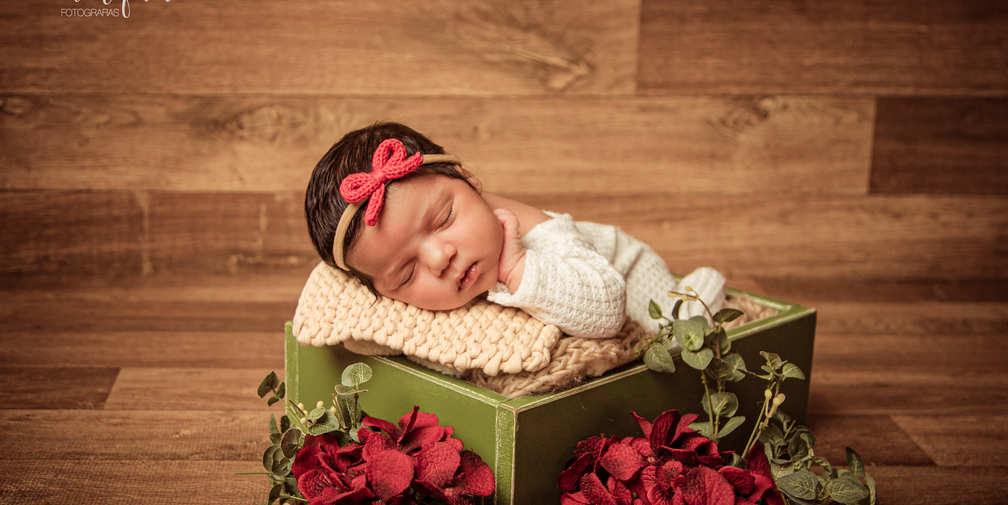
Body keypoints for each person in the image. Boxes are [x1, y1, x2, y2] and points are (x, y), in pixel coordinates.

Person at [304, 122, 727, 339]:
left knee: (674, 331)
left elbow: (608, 313)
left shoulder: (540, 236)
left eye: (443, 220)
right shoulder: (402, 289)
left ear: (470, 182)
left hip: (624, 274)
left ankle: (697, 289)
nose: (439, 258)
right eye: (407, 274)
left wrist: (518, 267)